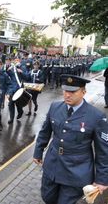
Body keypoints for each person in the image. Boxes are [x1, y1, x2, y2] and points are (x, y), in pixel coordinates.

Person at [33, 74, 108, 204]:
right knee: (47, 198)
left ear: (83, 92)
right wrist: (38, 151)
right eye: (65, 90)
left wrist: (102, 179)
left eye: (73, 92)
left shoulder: (96, 116)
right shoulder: (55, 107)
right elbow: (45, 132)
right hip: (52, 166)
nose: (67, 95)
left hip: (76, 171)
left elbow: (103, 152)